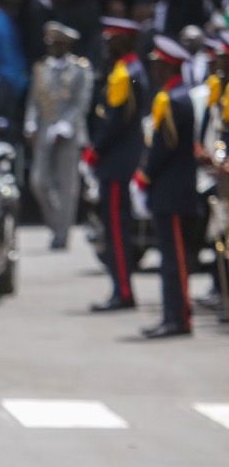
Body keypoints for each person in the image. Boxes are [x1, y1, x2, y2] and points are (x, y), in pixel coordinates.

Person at [85, 17, 150, 312]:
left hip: (116, 163)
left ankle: (123, 291)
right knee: (114, 230)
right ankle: (120, 288)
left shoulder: (126, 73)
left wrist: (96, 150)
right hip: (119, 161)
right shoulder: (128, 70)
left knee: (116, 231)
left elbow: (115, 121)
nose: (106, 45)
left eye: (111, 40)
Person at [136, 36, 199, 338]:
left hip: (172, 192)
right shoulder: (174, 97)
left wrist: (145, 174)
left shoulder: (174, 100)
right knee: (171, 260)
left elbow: (164, 148)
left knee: (174, 261)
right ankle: (174, 315)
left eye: (157, 65)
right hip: (171, 191)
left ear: (166, 67)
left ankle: (178, 318)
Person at [24, 23, 93, 250]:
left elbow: (82, 101)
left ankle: (62, 234)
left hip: (68, 132)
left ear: (65, 45)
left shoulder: (80, 69)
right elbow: (34, 100)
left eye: (56, 43)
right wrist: (31, 124)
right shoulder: (42, 68)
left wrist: (66, 124)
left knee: (67, 185)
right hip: (45, 130)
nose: (51, 48)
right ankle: (56, 224)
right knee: (39, 181)